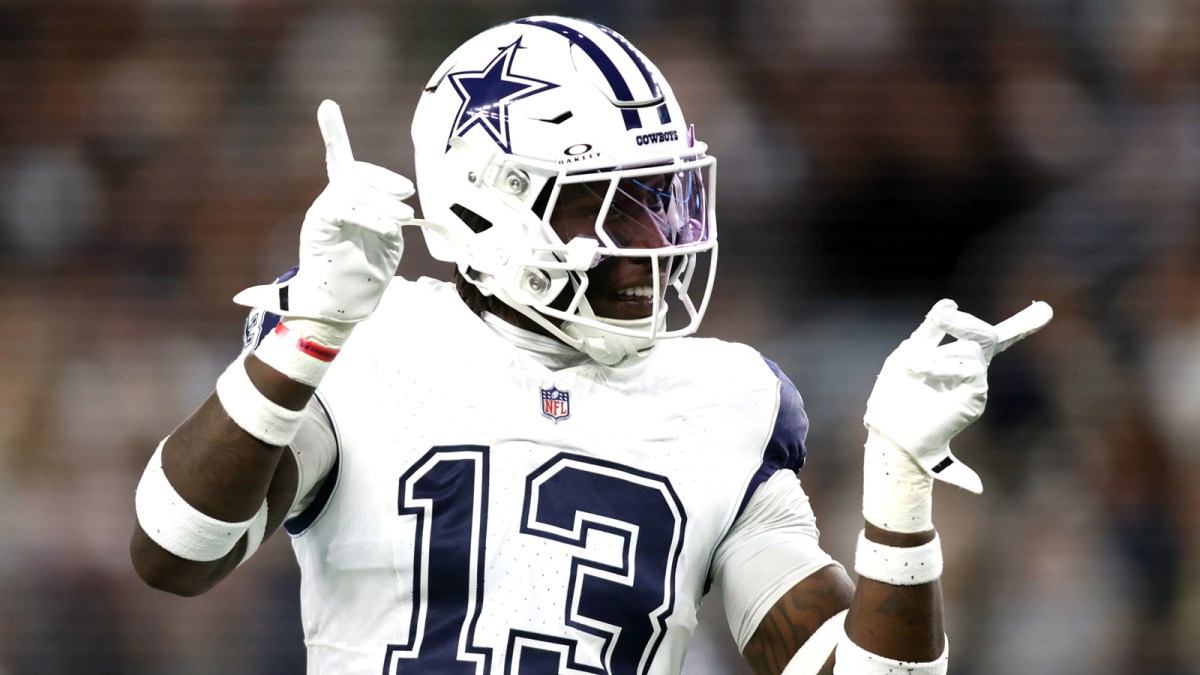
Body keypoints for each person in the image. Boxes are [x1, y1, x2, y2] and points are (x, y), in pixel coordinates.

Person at [130, 16, 1052, 675]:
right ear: (484, 201)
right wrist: (307, 334)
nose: (653, 241)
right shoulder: (367, 337)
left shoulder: (728, 396)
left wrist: (899, 481)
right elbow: (174, 552)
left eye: (661, 196)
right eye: (607, 202)